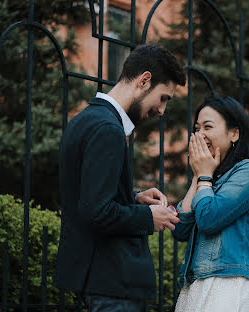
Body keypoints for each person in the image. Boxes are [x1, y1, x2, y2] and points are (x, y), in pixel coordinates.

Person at [55, 44, 186, 311]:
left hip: (95, 280)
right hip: (110, 284)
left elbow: (90, 195)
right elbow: (96, 211)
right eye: (163, 98)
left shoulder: (86, 119)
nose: (162, 110)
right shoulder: (108, 129)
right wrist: (149, 218)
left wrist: (134, 198)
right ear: (144, 81)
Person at [172, 95, 249, 312]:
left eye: (208, 127)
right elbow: (179, 229)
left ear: (234, 133)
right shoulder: (208, 178)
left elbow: (209, 219)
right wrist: (199, 177)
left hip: (228, 285)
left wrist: (204, 176)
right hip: (196, 285)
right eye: (197, 128)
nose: (199, 135)